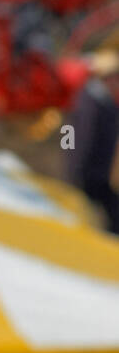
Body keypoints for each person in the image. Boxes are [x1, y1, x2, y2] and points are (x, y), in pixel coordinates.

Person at [63, 50, 119, 234]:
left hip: (99, 175)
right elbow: (70, 134)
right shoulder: (88, 102)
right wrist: (71, 166)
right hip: (83, 175)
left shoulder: (107, 102)